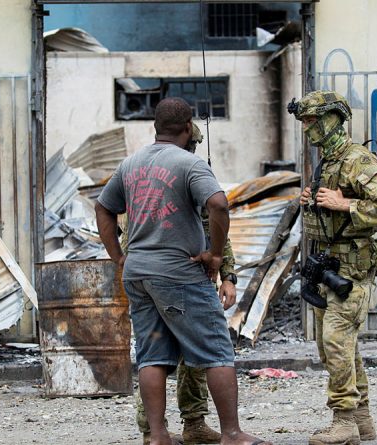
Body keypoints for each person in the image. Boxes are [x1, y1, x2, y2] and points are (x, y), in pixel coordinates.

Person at [96, 97, 270, 445]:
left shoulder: (130, 164)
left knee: (153, 355)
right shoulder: (189, 164)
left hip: (138, 275)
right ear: (189, 128)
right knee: (216, 351)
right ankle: (232, 434)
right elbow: (218, 205)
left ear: (155, 128)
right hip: (179, 274)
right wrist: (217, 257)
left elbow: (102, 209)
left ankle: (157, 435)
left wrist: (119, 257)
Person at [288, 91, 377, 445]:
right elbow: (330, 210)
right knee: (339, 347)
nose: (307, 129)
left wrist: (344, 202)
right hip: (329, 266)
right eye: (304, 122)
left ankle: (344, 423)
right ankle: (362, 420)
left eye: (311, 121)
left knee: (337, 341)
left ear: (331, 120)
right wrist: (313, 201)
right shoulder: (328, 161)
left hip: (352, 268)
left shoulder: (357, 159)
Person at [118, 122, 238, 445]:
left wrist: (227, 274)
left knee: (176, 357)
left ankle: (188, 424)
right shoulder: (155, 177)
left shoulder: (190, 174)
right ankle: (153, 429)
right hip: (176, 277)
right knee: (179, 352)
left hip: (164, 276)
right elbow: (133, 230)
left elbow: (216, 227)